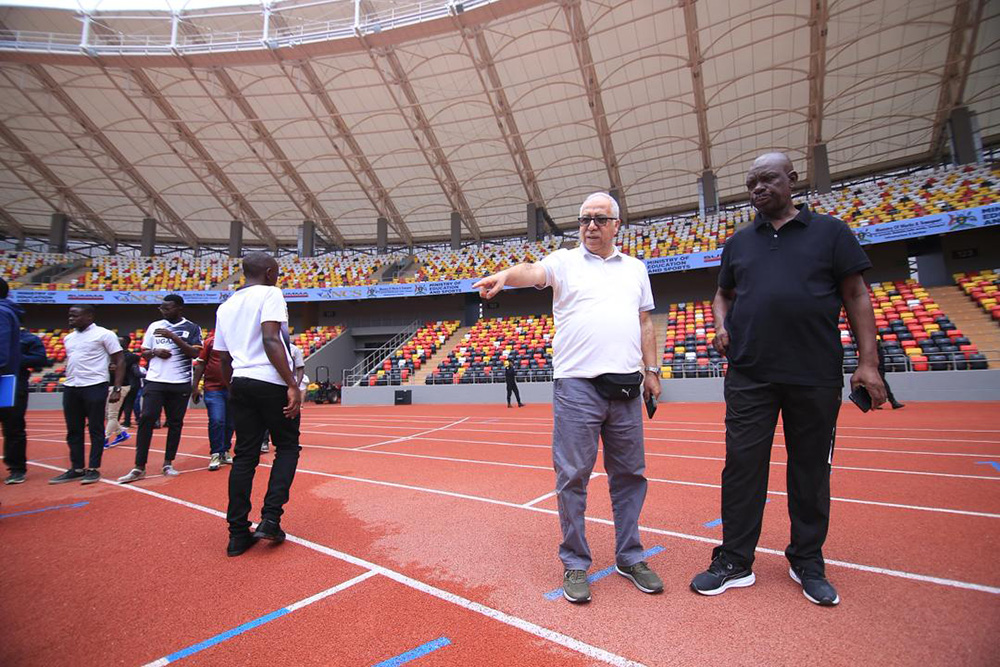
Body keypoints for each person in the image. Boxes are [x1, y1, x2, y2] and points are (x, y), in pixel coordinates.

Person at [689, 152, 887, 607]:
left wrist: (868, 362)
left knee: (811, 470)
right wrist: (721, 324)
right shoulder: (739, 242)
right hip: (749, 374)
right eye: (751, 182)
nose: (758, 188)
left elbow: (856, 294)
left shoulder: (832, 232)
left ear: (792, 180)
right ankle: (734, 560)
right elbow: (722, 294)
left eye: (767, 179)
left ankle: (807, 560)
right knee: (741, 467)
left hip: (813, 373)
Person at [473, 192, 663, 603]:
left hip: (628, 387)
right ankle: (576, 563)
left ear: (616, 224)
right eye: (584, 219)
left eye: (600, 218)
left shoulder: (636, 269)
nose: (591, 225)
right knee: (572, 476)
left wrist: (653, 371)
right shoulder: (564, 262)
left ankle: (631, 556)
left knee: (630, 476)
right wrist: (506, 276)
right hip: (577, 387)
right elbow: (532, 270)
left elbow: (645, 321)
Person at [214, 252, 302, 557]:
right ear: (268, 272)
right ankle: (270, 518)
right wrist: (292, 384)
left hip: (240, 381)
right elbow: (271, 339)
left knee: (244, 456)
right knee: (288, 447)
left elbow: (223, 358)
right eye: (276, 272)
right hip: (271, 381)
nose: (277, 276)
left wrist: (234, 389)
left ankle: (237, 534)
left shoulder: (226, 306)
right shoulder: (271, 293)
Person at [118, 295, 202, 484]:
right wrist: (155, 352)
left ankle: (168, 463)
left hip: (180, 382)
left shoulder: (192, 327)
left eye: (167, 308)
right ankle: (139, 466)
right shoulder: (154, 326)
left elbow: (195, 353)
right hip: (155, 381)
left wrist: (173, 337)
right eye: (162, 308)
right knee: (147, 418)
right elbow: (145, 352)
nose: (163, 311)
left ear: (179, 309)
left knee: (175, 423)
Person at [50, 305, 124, 485]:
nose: (70, 318)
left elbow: (119, 360)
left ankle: (93, 468)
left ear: (89, 316)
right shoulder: (69, 338)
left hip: (95, 386)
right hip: (71, 386)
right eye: (69, 315)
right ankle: (76, 468)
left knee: (95, 429)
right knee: (73, 430)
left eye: (75, 315)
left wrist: (117, 388)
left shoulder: (104, 334)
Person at [2, 280, 46, 485]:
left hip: (10, 381)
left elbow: (40, 360)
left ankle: (17, 467)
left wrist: (16, 359)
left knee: (13, 425)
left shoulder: (27, 337)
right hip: (10, 378)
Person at [191, 333, 234, 471]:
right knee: (217, 420)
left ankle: (224, 451)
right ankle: (216, 452)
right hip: (213, 388)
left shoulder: (240, 340)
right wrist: (195, 387)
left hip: (234, 388)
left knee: (230, 422)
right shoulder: (210, 342)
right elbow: (201, 364)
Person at [260, 342, 305, 454]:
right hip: (272, 384)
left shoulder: (294, 350)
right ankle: (264, 441)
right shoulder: (267, 346)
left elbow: (300, 368)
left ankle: (291, 440)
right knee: (267, 414)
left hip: (290, 385)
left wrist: (296, 385)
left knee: (292, 413)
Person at [104, 335, 139, 448]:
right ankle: (121, 434)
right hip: (109, 385)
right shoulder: (111, 355)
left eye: (120, 341)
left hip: (121, 386)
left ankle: (105, 439)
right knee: (108, 414)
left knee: (112, 415)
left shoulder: (130, 356)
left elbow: (123, 362)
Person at [118, 338, 142, 428]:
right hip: (132, 383)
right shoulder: (134, 357)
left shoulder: (117, 356)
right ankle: (126, 421)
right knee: (129, 403)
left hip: (123, 382)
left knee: (121, 404)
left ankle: (118, 421)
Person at [874, 340, 904, 409]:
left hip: (879, 369)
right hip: (876, 369)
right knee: (883, 385)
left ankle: (879, 402)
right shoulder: (875, 351)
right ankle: (892, 401)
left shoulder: (878, 351)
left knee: (881, 385)